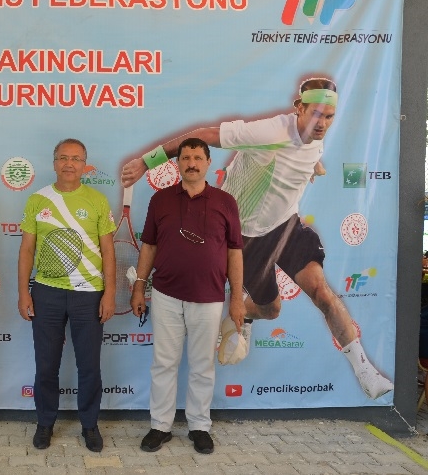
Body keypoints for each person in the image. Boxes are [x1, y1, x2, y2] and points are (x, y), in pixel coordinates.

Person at [121, 77, 394, 400]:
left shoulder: (314, 139)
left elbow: (304, 151)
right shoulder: (269, 133)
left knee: (323, 293)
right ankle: (242, 314)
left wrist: (314, 166)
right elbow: (204, 136)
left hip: (286, 226)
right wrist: (146, 161)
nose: (322, 123)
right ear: (299, 109)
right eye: (316, 114)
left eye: (329, 116)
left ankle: (365, 370)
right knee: (272, 309)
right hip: (246, 235)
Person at [129, 138, 243, 455]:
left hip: (209, 297)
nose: (191, 163)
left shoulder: (225, 202)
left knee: (203, 366)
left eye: (197, 158)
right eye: (186, 158)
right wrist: (139, 285)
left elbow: (235, 251)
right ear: (177, 163)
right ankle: (160, 426)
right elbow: (149, 245)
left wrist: (236, 297)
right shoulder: (160, 199)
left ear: (208, 163)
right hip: (165, 294)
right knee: (164, 363)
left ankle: (199, 427)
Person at [17, 138, 117, 452]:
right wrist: (23, 293)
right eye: (63, 158)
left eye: (76, 158)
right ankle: (45, 422)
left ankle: (90, 425)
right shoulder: (37, 200)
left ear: (84, 165)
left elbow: (108, 251)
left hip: (89, 294)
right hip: (46, 292)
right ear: (54, 163)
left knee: (89, 366)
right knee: (46, 365)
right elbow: (27, 249)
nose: (69, 164)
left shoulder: (97, 200)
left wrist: (110, 293)